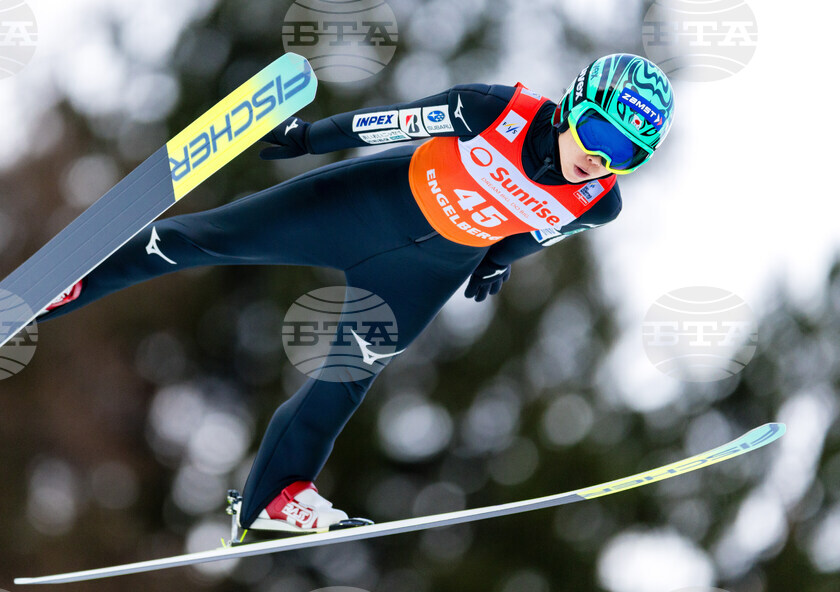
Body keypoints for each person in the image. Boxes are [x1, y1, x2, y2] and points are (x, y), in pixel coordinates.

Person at [38, 53, 675, 539]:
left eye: (626, 153)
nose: (599, 158)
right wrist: (306, 138)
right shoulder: (494, 110)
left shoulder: (600, 202)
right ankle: (72, 280)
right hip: (365, 208)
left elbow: (536, 231)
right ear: (572, 106)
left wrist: (495, 264)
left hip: (423, 275)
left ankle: (273, 499)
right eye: (598, 132)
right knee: (209, 238)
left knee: (345, 381)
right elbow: (389, 124)